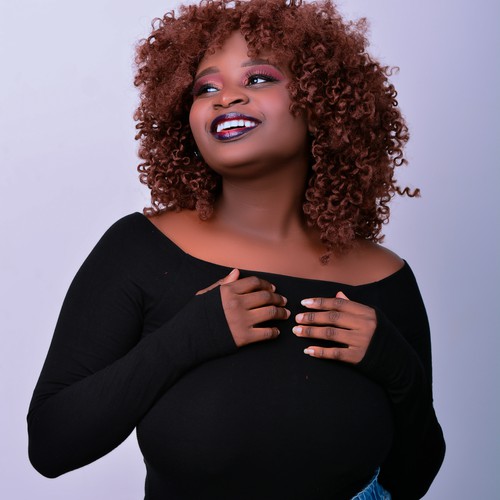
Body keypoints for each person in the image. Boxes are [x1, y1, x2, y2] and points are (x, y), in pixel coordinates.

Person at [27, 1, 445, 498]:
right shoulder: (140, 250)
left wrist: (396, 364)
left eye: (259, 78)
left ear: (321, 103)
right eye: (205, 88)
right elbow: (51, 444)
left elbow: (411, 479)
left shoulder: (385, 277)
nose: (225, 97)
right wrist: (190, 336)